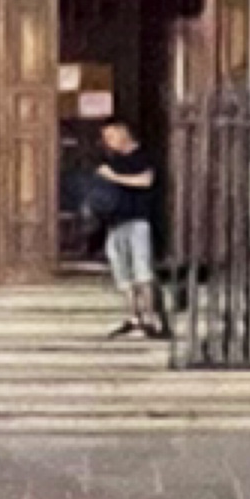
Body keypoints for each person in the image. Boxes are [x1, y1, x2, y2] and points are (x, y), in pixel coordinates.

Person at [83, 115, 165, 339]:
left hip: (138, 220)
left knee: (142, 271)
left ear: (123, 132)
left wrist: (114, 177)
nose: (108, 141)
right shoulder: (111, 160)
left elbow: (145, 181)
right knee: (123, 274)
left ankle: (151, 318)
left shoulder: (143, 156)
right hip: (115, 223)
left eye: (111, 136)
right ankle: (133, 317)